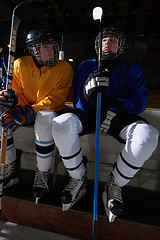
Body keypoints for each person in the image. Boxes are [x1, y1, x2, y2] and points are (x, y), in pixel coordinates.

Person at [51, 26, 159, 222]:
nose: (108, 42)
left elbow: (140, 101)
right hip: (90, 114)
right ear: (97, 44)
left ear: (121, 46)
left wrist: (115, 107)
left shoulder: (132, 70)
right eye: (104, 39)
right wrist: (86, 94)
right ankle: (78, 177)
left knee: (147, 136)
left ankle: (114, 184)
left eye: (113, 40)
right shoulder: (85, 66)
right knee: (60, 123)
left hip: (117, 117)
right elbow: (78, 103)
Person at [0, 29, 73, 203]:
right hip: (26, 108)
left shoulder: (64, 68)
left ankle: (42, 173)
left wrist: (30, 110)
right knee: (1, 117)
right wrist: (12, 100)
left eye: (51, 47)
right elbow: (18, 93)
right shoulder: (19, 64)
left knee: (45, 119)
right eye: (45, 48)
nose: (51, 51)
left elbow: (56, 99)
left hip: (46, 111)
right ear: (34, 51)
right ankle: (10, 165)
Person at [0, 35, 22, 189]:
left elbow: (15, 88)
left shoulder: (8, 63)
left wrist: (10, 96)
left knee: (1, 118)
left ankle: (10, 165)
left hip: (11, 106)